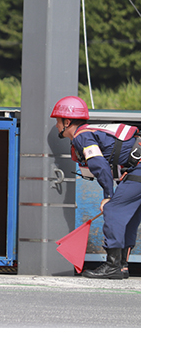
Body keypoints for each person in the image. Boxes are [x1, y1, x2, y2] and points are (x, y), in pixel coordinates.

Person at [51, 96, 141, 279]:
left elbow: (98, 164)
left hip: (140, 170)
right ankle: (122, 265)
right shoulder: (93, 131)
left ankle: (112, 266)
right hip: (139, 169)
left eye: (58, 121)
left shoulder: (82, 136)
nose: (56, 126)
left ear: (67, 122)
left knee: (113, 210)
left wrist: (108, 195)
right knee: (128, 217)